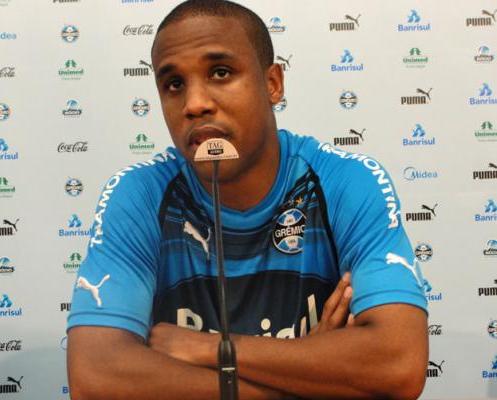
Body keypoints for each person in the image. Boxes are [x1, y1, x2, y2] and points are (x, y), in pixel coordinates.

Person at [67, 1, 428, 399]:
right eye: (174, 84)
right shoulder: (139, 195)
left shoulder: (345, 181)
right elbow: (94, 378)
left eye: (220, 73)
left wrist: (211, 350)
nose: (194, 104)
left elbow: (399, 364)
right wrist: (312, 379)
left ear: (273, 84)